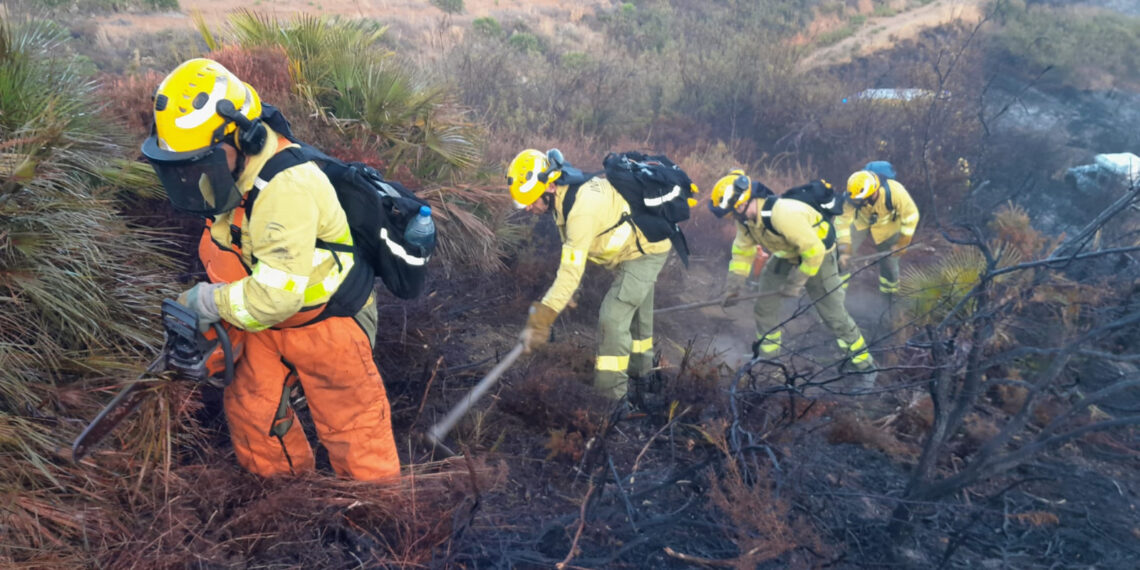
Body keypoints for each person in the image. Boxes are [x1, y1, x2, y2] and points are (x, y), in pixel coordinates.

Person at [141, 58, 399, 480]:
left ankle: (378, 518)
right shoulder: (226, 173)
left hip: (327, 321)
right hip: (264, 322)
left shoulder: (286, 188)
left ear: (241, 136)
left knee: (355, 430)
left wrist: (208, 300)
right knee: (253, 415)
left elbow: (277, 297)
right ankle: (287, 500)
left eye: (201, 160)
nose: (194, 173)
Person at [507, 149, 671, 401]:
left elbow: (570, 272)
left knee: (613, 316)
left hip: (646, 251)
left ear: (549, 187)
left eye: (531, 200)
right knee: (638, 311)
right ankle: (643, 373)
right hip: (636, 247)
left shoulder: (581, 210)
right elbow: (577, 258)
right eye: (523, 203)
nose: (528, 208)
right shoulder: (566, 195)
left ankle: (610, 398)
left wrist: (543, 317)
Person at [708, 170, 876, 387]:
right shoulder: (746, 221)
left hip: (820, 256)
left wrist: (796, 283)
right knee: (764, 306)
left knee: (833, 315)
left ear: (742, 203)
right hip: (786, 254)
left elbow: (813, 251)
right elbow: (742, 254)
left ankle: (865, 365)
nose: (732, 218)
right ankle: (768, 358)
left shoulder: (783, 215)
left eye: (732, 213)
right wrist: (733, 288)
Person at [835, 167, 920, 296]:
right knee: (840, 260)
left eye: (859, 201)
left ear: (871, 194)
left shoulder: (895, 192)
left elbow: (911, 216)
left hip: (888, 226)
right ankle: (837, 294)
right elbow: (842, 223)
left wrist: (902, 242)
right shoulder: (851, 196)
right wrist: (844, 249)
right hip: (860, 222)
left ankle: (889, 297)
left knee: (890, 265)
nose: (855, 203)